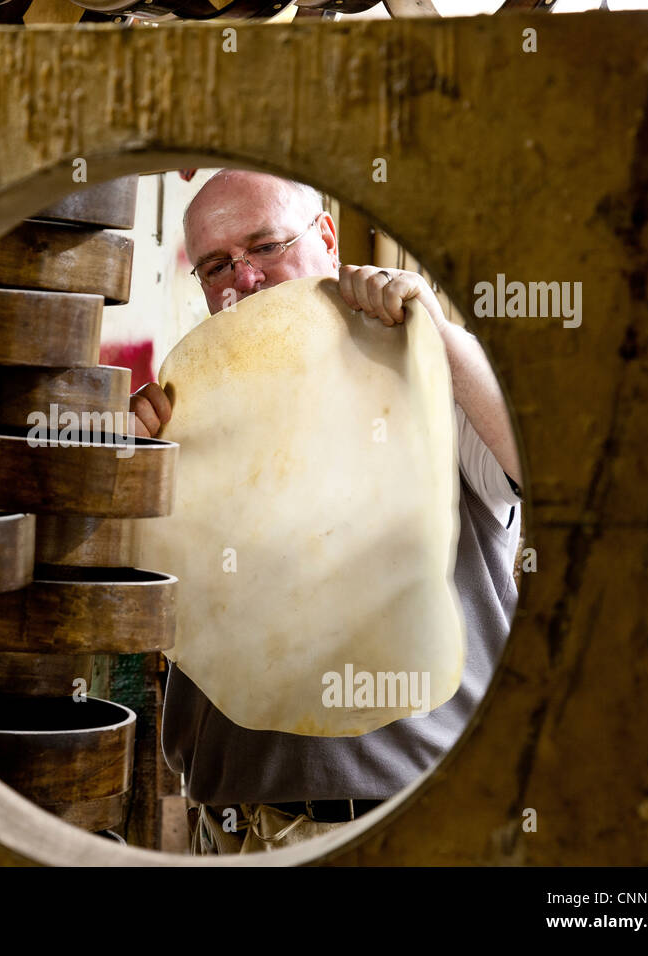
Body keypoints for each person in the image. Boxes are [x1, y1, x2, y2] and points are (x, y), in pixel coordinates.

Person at [131, 169, 524, 855]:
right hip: (232, 827)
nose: (244, 280)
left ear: (327, 237)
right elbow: (139, 602)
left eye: (265, 246)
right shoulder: (188, 413)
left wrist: (435, 332)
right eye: (216, 265)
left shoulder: (426, 375)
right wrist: (131, 476)